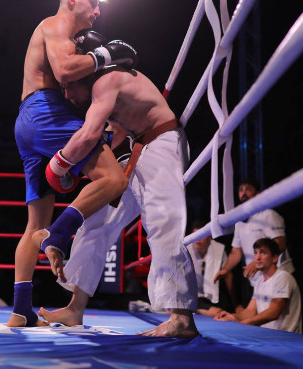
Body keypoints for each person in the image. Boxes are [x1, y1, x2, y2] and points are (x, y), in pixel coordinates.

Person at [10, 0, 137, 327]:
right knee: (114, 180)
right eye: (92, 3)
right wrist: (106, 55)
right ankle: (60, 233)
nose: (97, 11)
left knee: (35, 223)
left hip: (29, 120)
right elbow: (65, 72)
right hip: (46, 113)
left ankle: (21, 311)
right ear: (71, 0)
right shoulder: (54, 25)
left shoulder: (66, 36)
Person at [36, 66, 200, 338]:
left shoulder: (106, 82)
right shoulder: (105, 94)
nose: (67, 95)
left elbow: (89, 135)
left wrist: (61, 164)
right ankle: (75, 308)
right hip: (139, 150)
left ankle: (182, 318)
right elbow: (115, 134)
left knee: (162, 221)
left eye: (70, 86)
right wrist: (86, 167)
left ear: (84, 77)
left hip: (161, 142)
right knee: (97, 219)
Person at [213, 179, 294, 308]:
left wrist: (256, 263)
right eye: (241, 190)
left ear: (257, 193)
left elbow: (280, 243)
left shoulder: (268, 214)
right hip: (258, 279)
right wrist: (225, 269)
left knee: (277, 317)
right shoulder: (240, 220)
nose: (244, 193)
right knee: (258, 317)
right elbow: (236, 251)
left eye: (248, 189)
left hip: (278, 277)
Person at [214, 238, 302, 333]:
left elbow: (273, 313)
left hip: (286, 338)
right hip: (267, 336)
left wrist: (241, 324)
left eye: (263, 253)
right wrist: (232, 317)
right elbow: (250, 311)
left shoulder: (282, 277)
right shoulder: (259, 279)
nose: (257, 257)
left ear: (274, 258)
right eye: (255, 253)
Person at [187, 222, 232, 317]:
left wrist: (236, 304)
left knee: (226, 311)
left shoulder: (219, 250)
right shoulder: (186, 251)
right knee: (217, 312)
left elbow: (228, 276)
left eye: (201, 236)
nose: (198, 239)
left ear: (210, 236)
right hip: (192, 296)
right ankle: (194, 309)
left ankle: (194, 309)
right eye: (195, 235)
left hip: (213, 295)